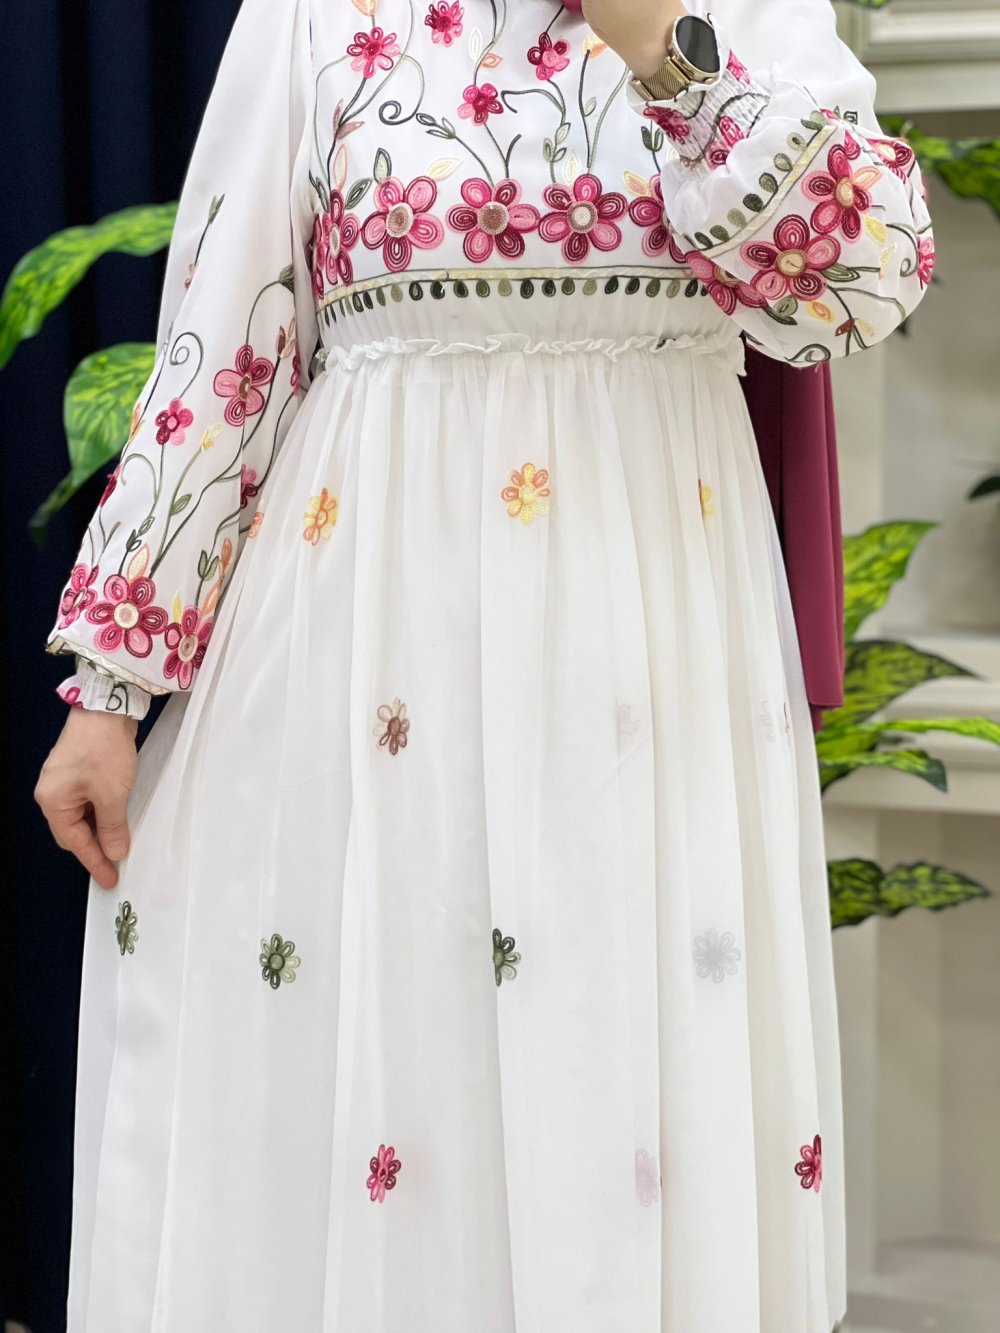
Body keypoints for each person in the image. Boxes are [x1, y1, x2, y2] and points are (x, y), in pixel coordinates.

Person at [33, 0, 932, 1328]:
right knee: (393, 1056)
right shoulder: (317, 14)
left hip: (649, 640)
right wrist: (112, 689)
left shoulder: (740, 10)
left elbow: (866, 281)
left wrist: (663, 48)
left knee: (610, 1064)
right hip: (366, 637)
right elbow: (225, 349)